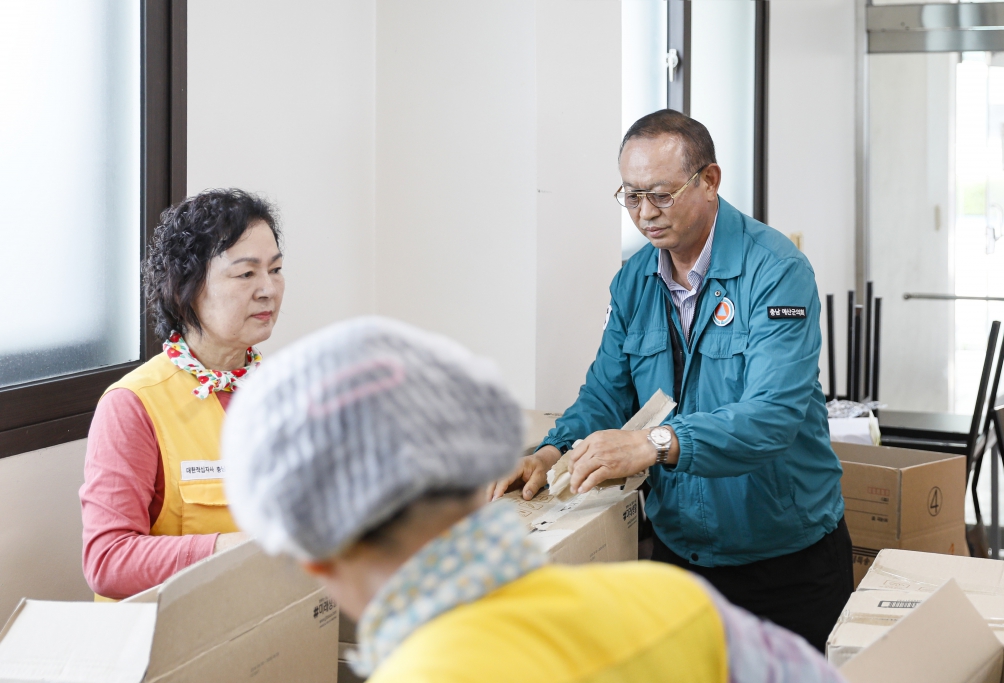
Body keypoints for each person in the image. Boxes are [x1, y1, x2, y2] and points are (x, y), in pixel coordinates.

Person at [220, 316, 844, 683]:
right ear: (478, 476)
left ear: (315, 561)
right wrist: (556, 448)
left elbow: (775, 411)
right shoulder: (672, 603)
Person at [489, 109, 852, 652]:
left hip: (784, 560)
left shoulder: (775, 269)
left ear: (709, 181)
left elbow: (773, 416)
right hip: (681, 556)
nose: (644, 214)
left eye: (660, 194)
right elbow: (606, 392)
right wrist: (549, 452)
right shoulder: (636, 279)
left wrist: (654, 443)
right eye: (631, 196)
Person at [79, 188, 284, 600]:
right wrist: (231, 549)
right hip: (172, 640)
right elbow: (106, 561)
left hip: (268, 616)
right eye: (246, 274)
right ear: (186, 288)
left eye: (275, 270)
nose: (268, 290)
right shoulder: (133, 405)